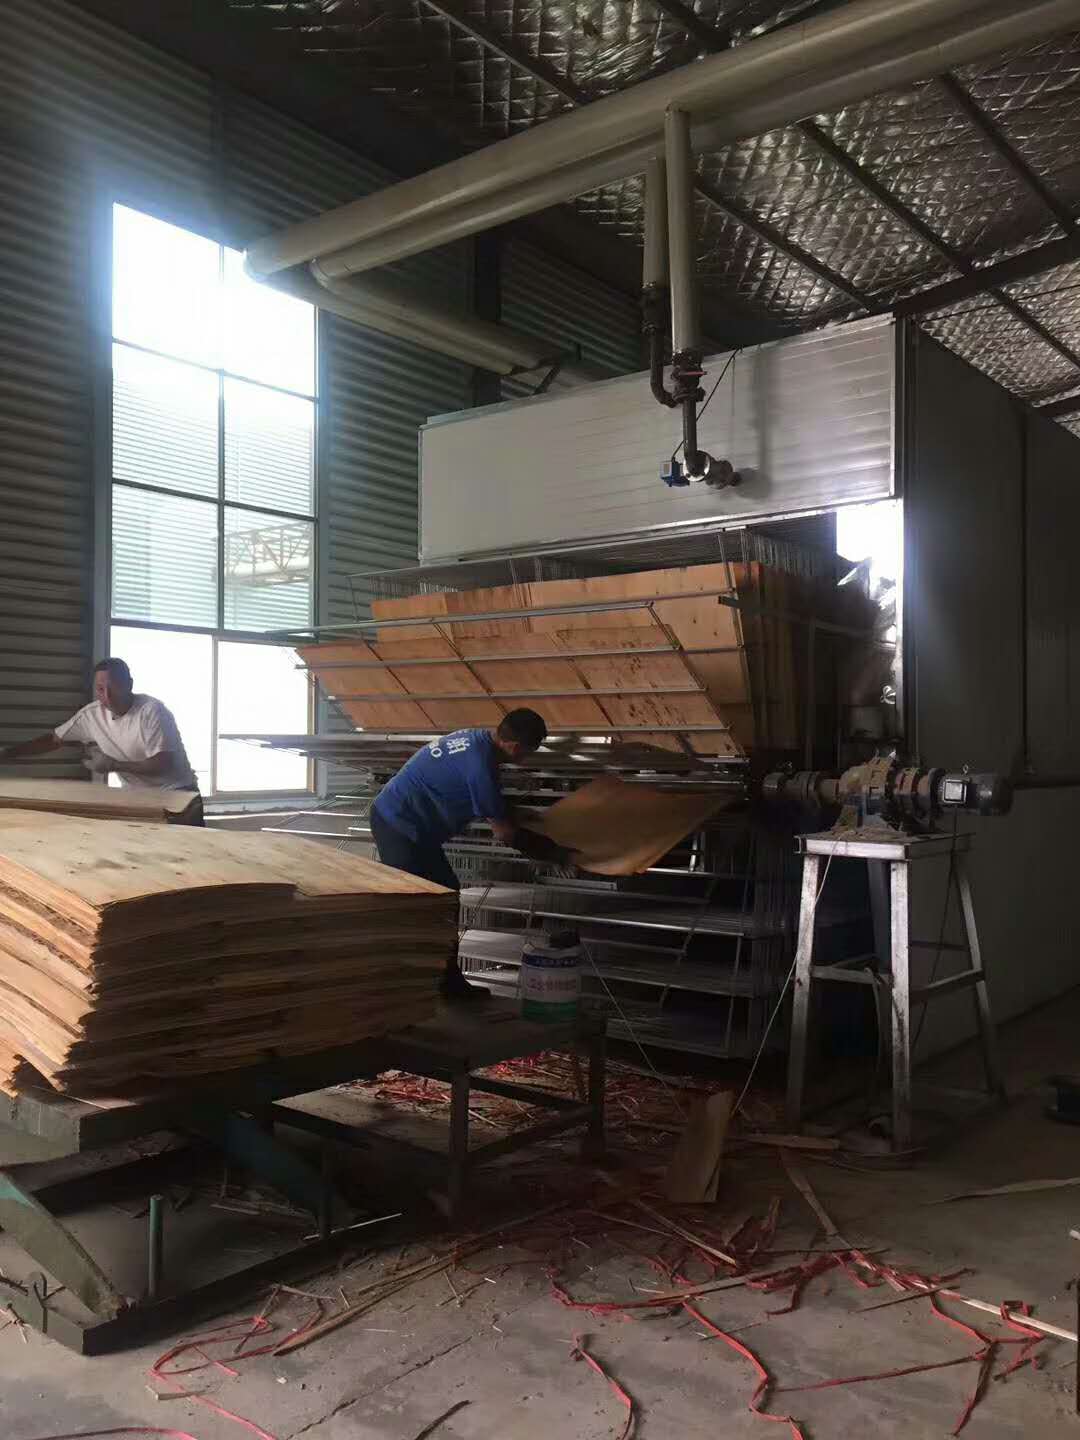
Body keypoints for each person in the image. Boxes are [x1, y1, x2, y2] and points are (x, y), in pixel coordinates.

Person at [370, 708, 548, 999]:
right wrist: (554, 853)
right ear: (516, 747)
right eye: (530, 752)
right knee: (416, 902)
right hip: (398, 823)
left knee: (446, 892)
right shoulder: (481, 767)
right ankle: (408, 987)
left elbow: (481, 797)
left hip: (411, 825)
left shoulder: (478, 741)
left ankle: (444, 980)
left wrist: (517, 813)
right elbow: (504, 833)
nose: (527, 759)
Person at [0, 657, 202, 821]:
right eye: (100, 689)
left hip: (178, 798)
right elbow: (53, 740)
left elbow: (162, 763)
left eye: (114, 687)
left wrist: (113, 764)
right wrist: (7, 754)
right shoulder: (92, 715)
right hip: (138, 799)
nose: (107, 696)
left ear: (130, 685)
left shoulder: (152, 711)